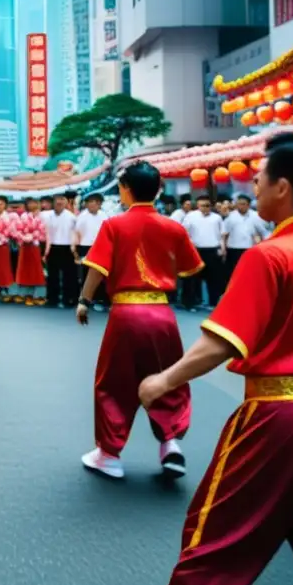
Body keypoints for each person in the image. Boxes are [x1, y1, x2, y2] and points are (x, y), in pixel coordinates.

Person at [139, 133, 293, 585]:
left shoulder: (272, 255)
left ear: (283, 188)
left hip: (280, 420)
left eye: (259, 180)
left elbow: (222, 343)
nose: (253, 188)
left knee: (213, 549)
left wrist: (162, 380)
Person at [76, 162, 204, 480]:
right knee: (168, 377)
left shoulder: (114, 225)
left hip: (126, 314)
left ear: (126, 190)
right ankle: (170, 441)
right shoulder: (173, 227)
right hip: (162, 315)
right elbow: (190, 267)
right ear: (158, 189)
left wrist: (84, 301)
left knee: (115, 383)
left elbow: (98, 269)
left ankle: (109, 454)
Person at [183, 194, 225, 310]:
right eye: (202, 205)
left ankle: (212, 302)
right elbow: (185, 233)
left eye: (207, 205)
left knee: (214, 278)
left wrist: (222, 248)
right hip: (196, 250)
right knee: (193, 278)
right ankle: (192, 302)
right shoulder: (191, 216)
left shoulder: (216, 218)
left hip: (212, 249)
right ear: (197, 205)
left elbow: (221, 235)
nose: (205, 208)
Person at [73, 193, 109, 310]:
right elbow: (77, 233)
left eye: (94, 202)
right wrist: (76, 251)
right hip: (85, 247)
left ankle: (100, 299)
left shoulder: (104, 215)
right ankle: (86, 299)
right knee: (86, 274)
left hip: (101, 247)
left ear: (99, 204)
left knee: (100, 273)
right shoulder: (82, 216)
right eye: (88, 202)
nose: (91, 204)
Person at [220, 193, 267, 281]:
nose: (240, 206)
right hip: (233, 249)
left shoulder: (256, 216)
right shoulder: (230, 216)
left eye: (243, 204)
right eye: (238, 204)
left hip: (250, 249)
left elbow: (264, 232)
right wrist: (223, 249)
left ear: (248, 205)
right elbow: (224, 234)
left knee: (250, 274)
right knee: (233, 274)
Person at [44, 191, 78, 307]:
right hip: (52, 248)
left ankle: (68, 299)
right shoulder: (46, 215)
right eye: (57, 199)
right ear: (53, 201)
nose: (59, 202)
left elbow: (76, 234)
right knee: (52, 275)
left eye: (62, 199)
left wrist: (74, 250)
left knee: (69, 275)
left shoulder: (72, 217)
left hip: (67, 248)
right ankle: (52, 299)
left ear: (66, 202)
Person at [14, 197, 47, 305]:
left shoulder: (42, 216)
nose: (32, 204)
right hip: (24, 246)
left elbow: (42, 231)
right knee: (24, 270)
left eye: (34, 202)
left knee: (36, 271)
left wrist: (32, 236)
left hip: (35, 246)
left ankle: (38, 295)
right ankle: (24, 294)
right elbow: (17, 229)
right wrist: (23, 237)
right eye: (30, 202)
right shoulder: (22, 216)